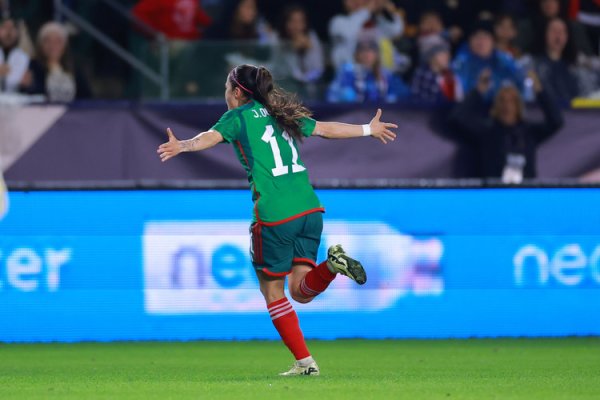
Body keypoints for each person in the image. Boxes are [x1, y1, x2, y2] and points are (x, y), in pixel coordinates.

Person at [157, 64, 397, 375]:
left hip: (275, 215)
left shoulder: (237, 118)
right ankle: (332, 265)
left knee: (273, 293)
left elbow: (209, 137)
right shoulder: (280, 112)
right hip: (310, 210)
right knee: (300, 291)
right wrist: (368, 129)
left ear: (238, 92)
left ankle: (306, 364)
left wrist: (183, 146)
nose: (225, 94)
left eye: (227, 88)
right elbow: (325, 129)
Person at [450, 69, 563, 180]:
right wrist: (479, 90)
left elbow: (556, 122)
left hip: (525, 193)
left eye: (512, 101)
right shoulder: (486, 131)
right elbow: (458, 118)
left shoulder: (529, 132)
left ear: (518, 105)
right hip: (494, 193)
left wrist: (539, 89)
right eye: (502, 100)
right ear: (496, 105)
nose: (507, 106)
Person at [452, 19, 525, 99]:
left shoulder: (504, 60)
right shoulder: (461, 63)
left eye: (485, 37)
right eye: (476, 37)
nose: (481, 42)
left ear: (493, 41)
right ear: (470, 41)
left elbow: (520, 86)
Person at [21, 22, 91, 102]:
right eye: (47, 41)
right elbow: (31, 95)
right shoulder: (33, 66)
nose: (52, 45)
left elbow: (86, 96)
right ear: (40, 44)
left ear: (65, 45)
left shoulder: (74, 66)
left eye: (58, 41)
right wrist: (27, 86)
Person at [329, 0, 404, 69]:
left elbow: (395, 31)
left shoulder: (372, 21)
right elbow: (350, 34)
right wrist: (367, 9)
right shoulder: (337, 22)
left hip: (375, 78)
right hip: (348, 77)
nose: (355, 1)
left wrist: (383, 11)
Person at [328, 39, 409, 103]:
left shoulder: (386, 74)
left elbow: (397, 96)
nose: (366, 54)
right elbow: (332, 96)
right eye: (362, 50)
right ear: (356, 54)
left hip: (381, 117)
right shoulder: (347, 71)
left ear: (377, 54)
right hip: (352, 117)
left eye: (371, 50)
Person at [276, 4, 324, 84]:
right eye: (293, 21)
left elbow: (319, 69)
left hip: (308, 85)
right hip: (284, 87)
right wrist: (291, 49)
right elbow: (278, 70)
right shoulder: (277, 39)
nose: (297, 26)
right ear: (285, 23)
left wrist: (310, 50)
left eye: (300, 21)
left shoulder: (311, 37)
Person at [411, 39, 462, 104]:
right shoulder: (422, 75)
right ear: (432, 57)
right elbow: (418, 100)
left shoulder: (451, 76)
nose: (447, 57)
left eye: (448, 54)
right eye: (442, 54)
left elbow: (457, 100)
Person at [132, 0, 212, 40]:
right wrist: (155, 34)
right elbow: (138, 15)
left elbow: (200, 17)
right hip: (168, 44)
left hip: (194, 42)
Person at [0, 18, 30, 93]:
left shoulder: (24, 57)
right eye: (4, 27)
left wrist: (26, 84)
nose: (8, 32)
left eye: (12, 28)